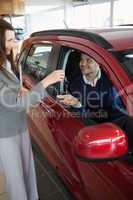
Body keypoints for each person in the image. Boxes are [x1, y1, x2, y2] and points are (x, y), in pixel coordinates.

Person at [0, 19, 65, 200]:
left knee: (27, 171)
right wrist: (47, 81)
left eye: (14, 39)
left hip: (18, 126)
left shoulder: (5, 62)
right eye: (10, 40)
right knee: (16, 179)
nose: (14, 43)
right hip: (6, 133)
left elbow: (11, 90)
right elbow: (15, 103)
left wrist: (19, 89)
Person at [58, 53, 133, 149]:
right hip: (96, 128)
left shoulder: (112, 79)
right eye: (81, 59)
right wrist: (78, 104)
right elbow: (85, 116)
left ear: (99, 63)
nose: (83, 63)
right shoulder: (75, 85)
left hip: (120, 123)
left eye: (89, 60)